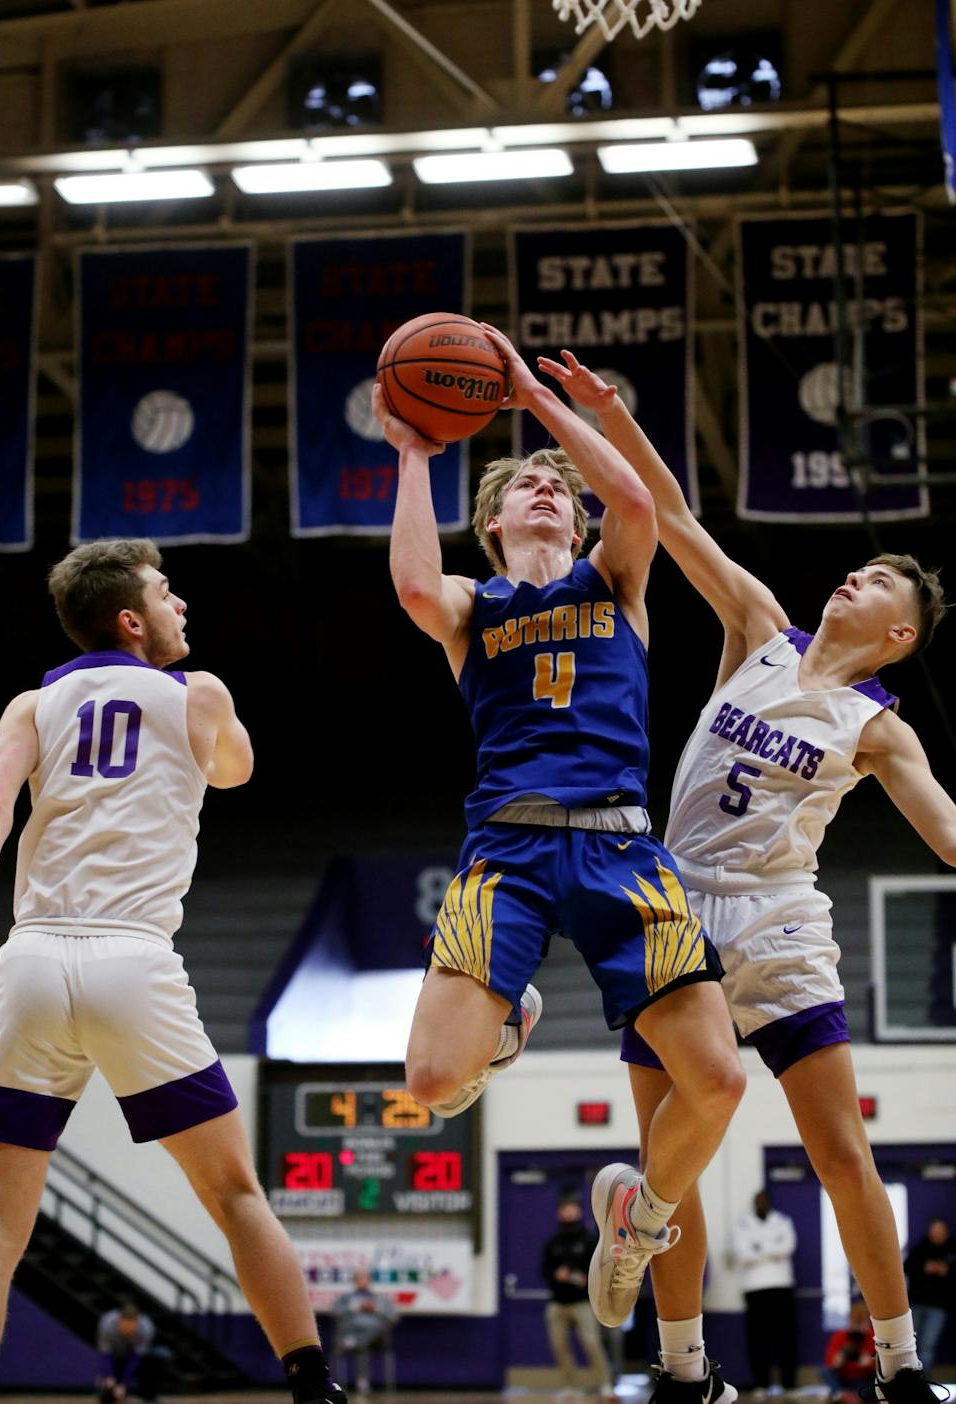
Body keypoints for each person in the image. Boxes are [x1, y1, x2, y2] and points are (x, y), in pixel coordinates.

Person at [536, 347, 954, 1404]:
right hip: (671, 909)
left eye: (876, 584)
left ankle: (901, 1365)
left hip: (776, 925)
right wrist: (613, 415)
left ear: (896, 634)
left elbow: (947, 831)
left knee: (838, 1155)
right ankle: (684, 1371)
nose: (850, 578)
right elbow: (671, 514)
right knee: (662, 1155)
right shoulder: (760, 628)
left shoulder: (875, 728)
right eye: (854, 571)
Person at [374, 325, 746, 1352]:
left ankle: (638, 1215)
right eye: (522, 489)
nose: (545, 492)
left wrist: (534, 399)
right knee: (432, 1085)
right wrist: (413, 452)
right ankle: (505, 1019)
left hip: (624, 852)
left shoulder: (612, 582)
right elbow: (412, 586)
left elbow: (634, 502)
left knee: (716, 1081)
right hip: (508, 852)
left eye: (557, 488)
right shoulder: (472, 605)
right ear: (489, 522)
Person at [0, 539, 346, 1404]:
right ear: (130, 619)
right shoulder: (196, 691)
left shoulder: (32, 704)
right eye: (168, 596)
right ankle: (313, 1385)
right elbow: (236, 773)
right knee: (237, 1196)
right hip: (132, 959)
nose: (182, 608)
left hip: (32, 957)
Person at [541, 1191, 616, 1401]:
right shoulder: (553, 1242)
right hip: (558, 1302)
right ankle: (570, 1386)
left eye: (572, 1208)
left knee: (591, 1343)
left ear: (579, 1211)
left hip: (583, 1302)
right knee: (559, 1346)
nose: (569, 1212)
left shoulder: (590, 1240)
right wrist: (556, 1275)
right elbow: (544, 1271)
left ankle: (605, 1384)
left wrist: (586, 1279)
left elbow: (599, 1269)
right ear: (559, 1213)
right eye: (565, 1209)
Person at [733, 1191, 798, 1398]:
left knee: (786, 1338)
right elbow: (742, 1253)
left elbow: (787, 1247)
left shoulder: (782, 1221)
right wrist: (772, 1249)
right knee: (758, 1340)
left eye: (765, 1200)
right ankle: (761, 1384)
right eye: (758, 1201)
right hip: (754, 1289)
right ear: (754, 1204)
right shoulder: (743, 1224)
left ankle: (789, 1385)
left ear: (770, 1202)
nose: (762, 1204)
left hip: (782, 1287)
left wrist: (759, 1248)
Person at [331, 1268, 395, 1397]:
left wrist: (375, 1309)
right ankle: (363, 1384)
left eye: (365, 1278)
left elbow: (394, 1317)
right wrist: (356, 1307)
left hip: (377, 1338)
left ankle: (353, 1342)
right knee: (362, 1347)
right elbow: (335, 1313)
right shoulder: (346, 1299)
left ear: (370, 1280)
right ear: (354, 1281)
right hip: (353, 1333)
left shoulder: (380, 1299)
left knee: (371, 1332)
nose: (362, 1281)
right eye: (359, 1278)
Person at [905, 1219, 956, 1372]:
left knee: (928, 1344)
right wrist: (924, 1268)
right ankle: (908, 1381)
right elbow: (906, 1268)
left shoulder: (953, 1250)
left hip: (939, 1306)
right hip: (917, 1303)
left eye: (940, 1231)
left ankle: (923, 1382)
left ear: (946, 1232)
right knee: (909, 1344)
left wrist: (946, 1271)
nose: (937, 1234)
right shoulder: (920, 1248)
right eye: (935, 1231)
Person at [96, 1299, 161, 1402]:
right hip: (115, 1354)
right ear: (119, 1320)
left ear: (136, 1323)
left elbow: (136, 1358)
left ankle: (147, 1395)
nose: (127, 1330)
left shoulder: (146, 1328)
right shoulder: (107, 1324)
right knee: (107, 1391)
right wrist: (109, 1377)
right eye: (125, 1325)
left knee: (156, 1358)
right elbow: (105, 1354)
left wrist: (123, 1383)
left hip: (133, 1355)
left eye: (131, 1327)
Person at [823, 1301, 877, 1403]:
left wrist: (870, 1363)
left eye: (860, 1322)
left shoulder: (874, 1337)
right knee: (824, 1371)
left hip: (865, 1381)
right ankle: (844, 1394)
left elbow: (883, 1369)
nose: (856, 1327)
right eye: (854, 1322)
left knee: (879, 1384)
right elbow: (829, 1363)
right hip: (845, 1381)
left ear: (867, 1322)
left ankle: (846, 1396)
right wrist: (839, 1359)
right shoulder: (840, 1336)